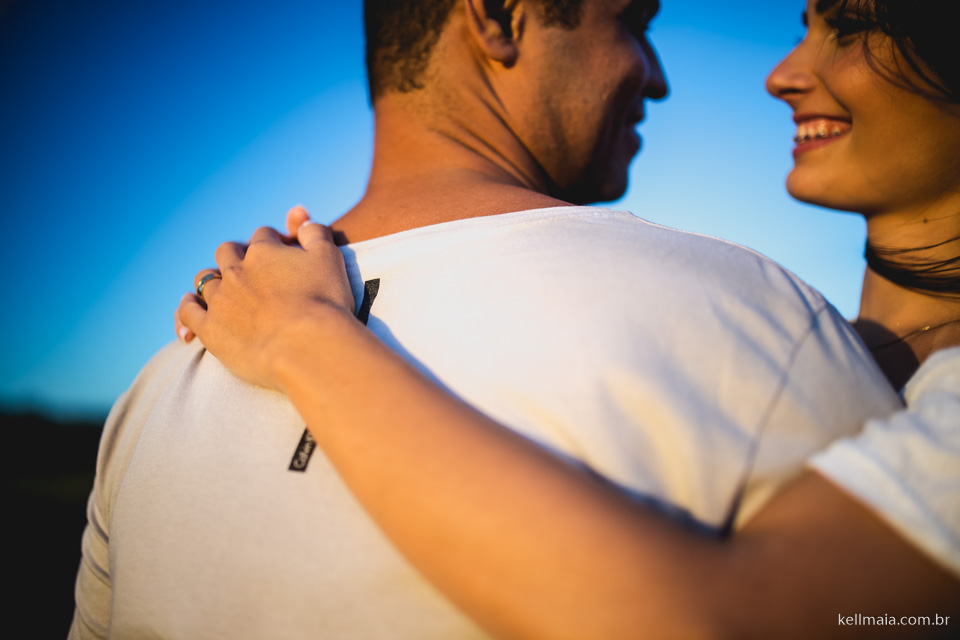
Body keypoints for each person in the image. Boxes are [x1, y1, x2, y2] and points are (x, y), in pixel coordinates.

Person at [73, 0, 907, 638]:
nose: (654, 75)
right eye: (633, 22)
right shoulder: (746, 309)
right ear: (501, 16)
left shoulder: (167, 378)